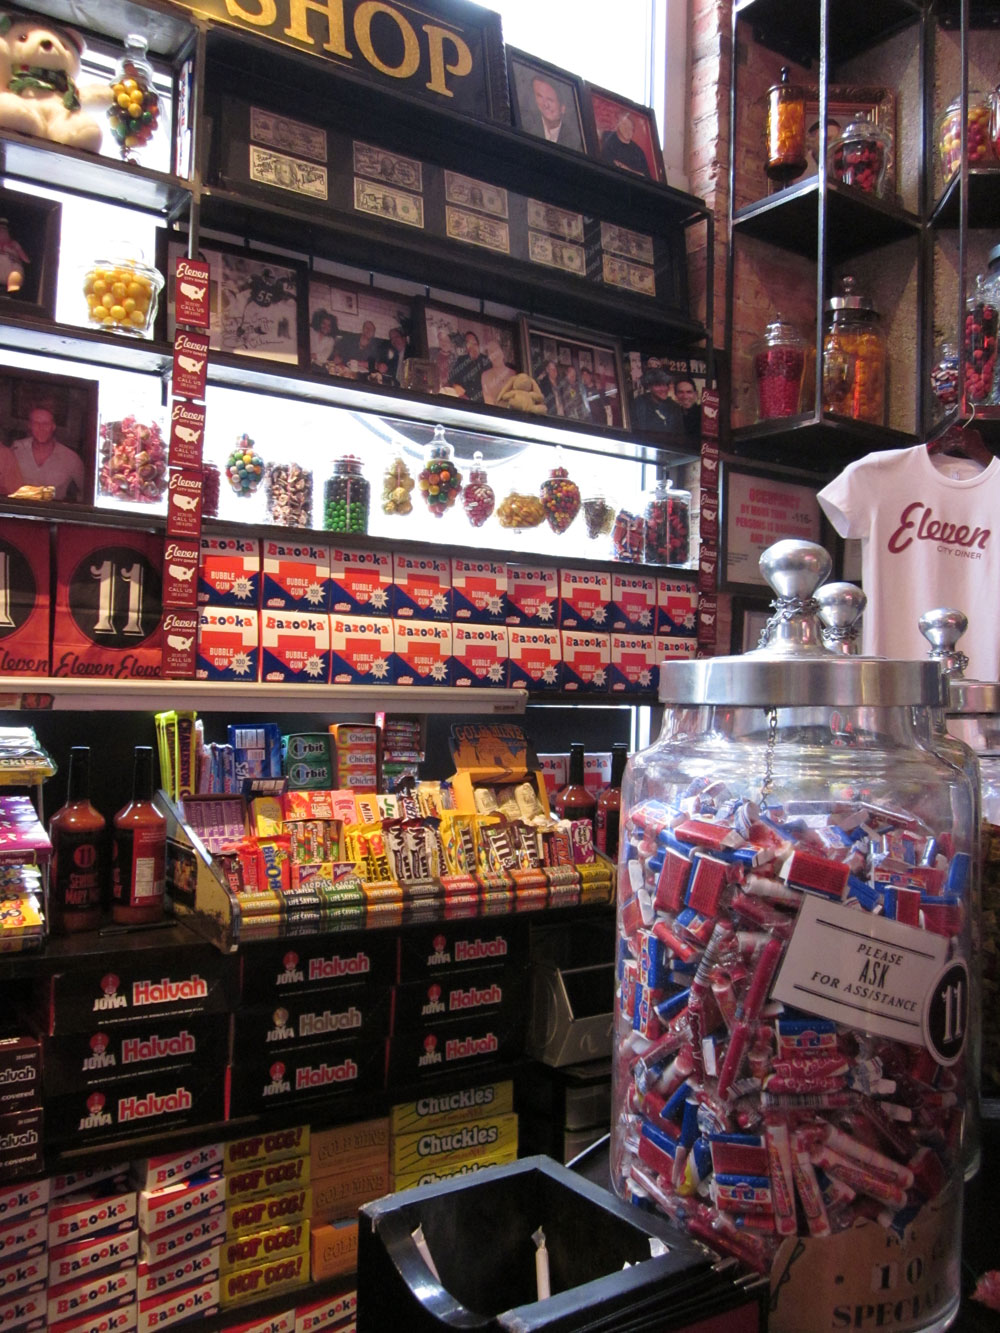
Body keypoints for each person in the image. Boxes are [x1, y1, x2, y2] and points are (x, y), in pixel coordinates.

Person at [5, 402, 85, 501]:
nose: (41, 428)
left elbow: (87, 493)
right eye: (36, 423)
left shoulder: (71, 458)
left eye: (46, 424)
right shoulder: (16, 449)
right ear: (30, 426)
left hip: (52, 510)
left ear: (53, 426)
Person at [523, 73, 583, 150]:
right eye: (540, 96)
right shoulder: (527, 128)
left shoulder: (575, 143)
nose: (545, 104)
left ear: (563, 108)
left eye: (550, 100)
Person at [632, 369, 684, 435]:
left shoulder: (674, 407)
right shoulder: (640, 404)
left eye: (665, 385)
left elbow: (679, 433)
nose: (663, 389)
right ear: (649, 386)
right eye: (658, 385)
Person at [601, 112, 651, 177]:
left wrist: (626, 169)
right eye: (624, 125)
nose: (627, 129)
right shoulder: (608, 138)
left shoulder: (638, 151)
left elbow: (646, 177)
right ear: (618, 125)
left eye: (630, 127)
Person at [447, 331, 491, 402]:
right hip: (463, 400)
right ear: (466, 347)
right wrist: (455, 386)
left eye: (474, 343)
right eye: (468, 343)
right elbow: (451, 378)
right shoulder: (461, 360)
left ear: (478, 345)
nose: (472, 347)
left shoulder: (486, 361)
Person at [480, 340, 516, 405]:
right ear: (489, 357)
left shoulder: (514, 374)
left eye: (496, 350)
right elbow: (488, 403)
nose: (495, 355)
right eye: (491, 352)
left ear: (502, 352)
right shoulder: (485, 376)